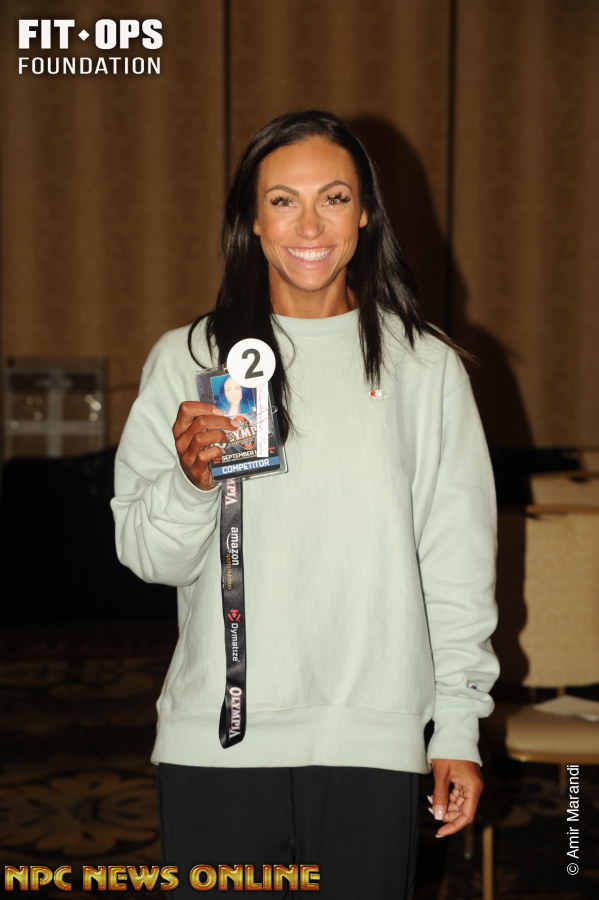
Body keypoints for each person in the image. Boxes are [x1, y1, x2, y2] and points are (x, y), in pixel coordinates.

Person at [111, 110, 498, 898]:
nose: (310, 226)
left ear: (365, 214)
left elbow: (456, 562)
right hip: (218, 740)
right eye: (283, 201)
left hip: (371, 738)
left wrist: (457, 726)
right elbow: (148, 558)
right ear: (252, 220)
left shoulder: (423, 368)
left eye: (334, 198)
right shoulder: (189, 358)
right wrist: (190, 482)